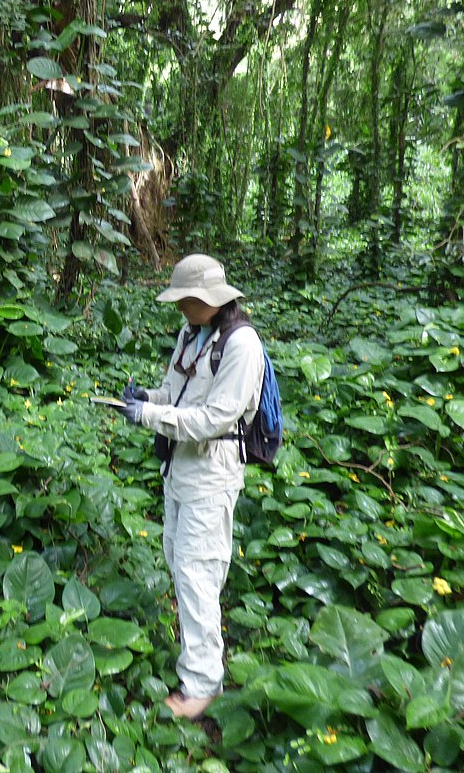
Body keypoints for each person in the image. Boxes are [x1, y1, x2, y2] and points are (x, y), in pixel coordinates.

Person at [118, 254, 265, 719]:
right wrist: (148, 399)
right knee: (180, 562)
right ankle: (198, 651)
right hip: (178, 470)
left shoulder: (242, 346)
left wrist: (151, 416)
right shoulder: (192, 333)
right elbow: (176, 394)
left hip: (211, 472)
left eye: (185, 299)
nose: (179, 306)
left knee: (197, 573)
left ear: (208, 299)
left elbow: (215, 418)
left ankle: (202, 684)